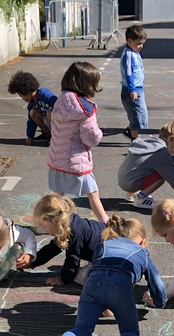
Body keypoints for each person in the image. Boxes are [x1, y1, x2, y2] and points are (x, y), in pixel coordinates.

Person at [45, 215, 166, 336]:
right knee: (131, 332)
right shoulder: (142, 252)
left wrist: (103, 304)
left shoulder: (103, 245)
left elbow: (99, 270)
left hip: (91, 286)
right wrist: (159, 301)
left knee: (82, 329)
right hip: (120, 287)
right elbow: (157, 284)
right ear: (142, 241)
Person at [48, 61, 108, 224]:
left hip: (57, 156)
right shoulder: (86, 109)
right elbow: (91, 137)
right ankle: (105, 222)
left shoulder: (61, 100)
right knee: (93, 192)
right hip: (76, 160)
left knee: (57, 194)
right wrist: (99, 133)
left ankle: (46, 218)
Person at [27, 193, 106, 286]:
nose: (45, 231)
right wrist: (32, 261)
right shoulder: (68, 224)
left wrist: (62, 280)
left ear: (55, 220)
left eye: (45, 227)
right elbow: (52, 249)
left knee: (79, 276)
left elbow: (72, 260)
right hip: (102, 252)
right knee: (78, 271)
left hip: (110, 257)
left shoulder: (74, 232)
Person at [116, 119, 174, 210]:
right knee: (163, 174)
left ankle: (131, 194)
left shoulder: (150, 142)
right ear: (171, 139)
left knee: (149, 169)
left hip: (125, 179)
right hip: (131, 183)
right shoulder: (160, 153)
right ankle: (140, 199)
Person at [7, 71, 57, 146]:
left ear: (27, 92)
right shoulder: (32, 104)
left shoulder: (46, 95)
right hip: (50, 124)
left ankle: (57, 138)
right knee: (32, 113)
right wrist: (30, 136)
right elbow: (31, 121)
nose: (22, 99)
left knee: (50, 112)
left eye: (21, 96)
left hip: (60, 124)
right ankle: (48, 135)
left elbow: (61, 107)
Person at [120, 24, 148, 140]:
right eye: (138, 43)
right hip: (132, 90)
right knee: (137, 116)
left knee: (141, 115)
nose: (141, 46)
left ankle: (130, 130)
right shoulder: (129, 55)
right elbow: (129, 74)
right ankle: (135, 140)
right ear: (129, 41)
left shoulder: (134, 52)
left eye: (142, 43)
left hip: (138, 88)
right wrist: (132, 89)